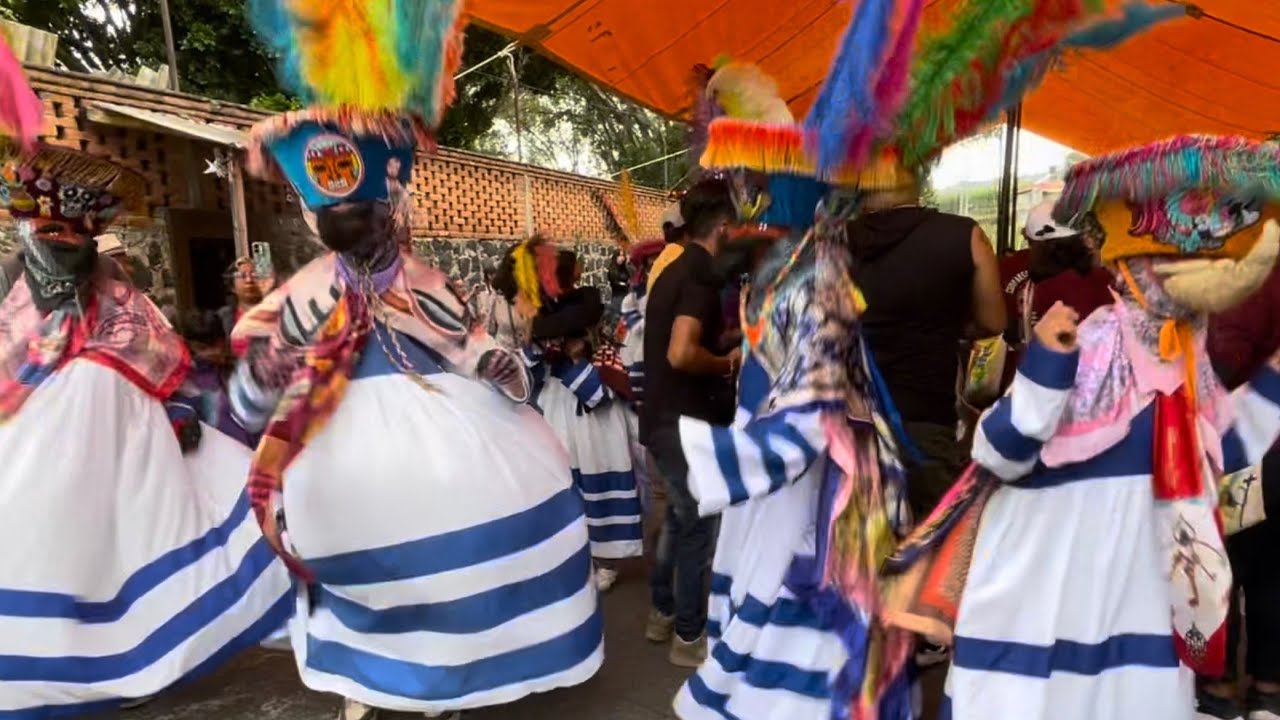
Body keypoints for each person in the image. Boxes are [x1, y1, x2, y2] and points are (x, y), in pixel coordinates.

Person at [233, 3, 602, 719]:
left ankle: (435, 678)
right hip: (342, 452)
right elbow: (253, 391)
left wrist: (498, 366)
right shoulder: (307, 298)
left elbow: (479, 350)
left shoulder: (411, 286)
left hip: (428, 430)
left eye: (368, 214)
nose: (365, 229)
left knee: (438, 553)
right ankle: (379, 681)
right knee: (361, 558)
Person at [889, 134, 1280, 720]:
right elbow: (997, 451)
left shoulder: (1186, 364)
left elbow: (1225, 451)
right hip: (1048, 589)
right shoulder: (1089, 343)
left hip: (1134, 597)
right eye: (1172, 263)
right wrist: (1045, 373)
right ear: (1133, 270)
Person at [0, 139, 292, 714]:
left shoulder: (122, 302)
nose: (62, 247)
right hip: (28, 470)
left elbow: (166, 364)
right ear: (28, 236)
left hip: (128, 470)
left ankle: (142, 654)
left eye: (75, 238)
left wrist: (182, 410)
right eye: (49, 236)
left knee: (123, 561)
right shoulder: (7, 298)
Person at [850, 177, 1006, 523]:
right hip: (927, 419)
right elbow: (993, 322)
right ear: (918, 177)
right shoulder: (965, 235)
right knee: (931, 548)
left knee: (859, 554)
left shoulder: (837, 242)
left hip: (853, 423)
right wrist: (948, 325)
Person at [641, 176, 740, 668]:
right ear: (723, 228)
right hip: (684, 423)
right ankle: (689, 635)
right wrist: (730, 363)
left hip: (662, 419)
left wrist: (728, 340)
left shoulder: (675, 269)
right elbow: (682, 352)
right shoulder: (702, 274)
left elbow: (679, 338)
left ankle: (662, 614)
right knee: (699, 525)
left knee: (680, 522)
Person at [521, 242, 644, 592]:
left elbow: (591, 353)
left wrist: (571, 355)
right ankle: (576, 555)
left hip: (591, 408)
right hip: (558, 405)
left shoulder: (587, 304)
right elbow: (532, 360)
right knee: (565, 478)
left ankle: (606, 559)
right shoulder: (540, 315)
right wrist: (550, 353)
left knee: (597, 470)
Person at [1199, 258, 1280, 720]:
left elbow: (1223, 362)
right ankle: (1268, 689)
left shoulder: (1253, 277)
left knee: (1224, 563)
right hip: (1274, 453)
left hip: (1248, 452)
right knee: (1273, 572)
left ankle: (1219, 687)